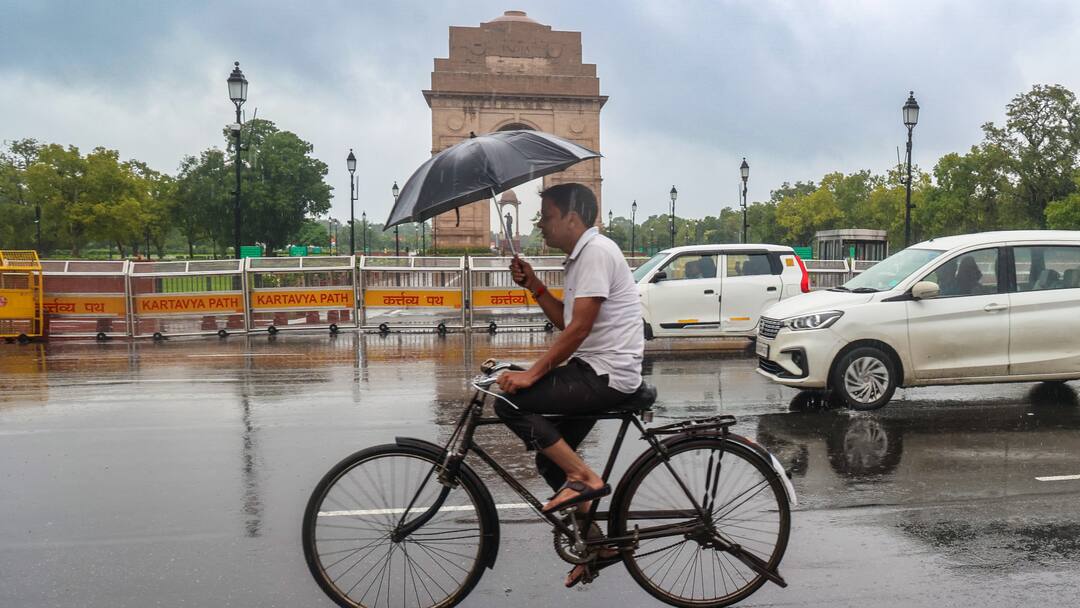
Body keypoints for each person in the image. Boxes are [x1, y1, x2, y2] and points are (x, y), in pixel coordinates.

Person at [494, 182, 644, 587]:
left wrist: (532, 373)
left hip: (607, 373)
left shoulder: (595, 252)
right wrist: (535, 287)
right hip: (595, 368)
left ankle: (586, 480)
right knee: (548, 458)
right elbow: (565, 319)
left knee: (509, 404)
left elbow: (578, 330)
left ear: (572, 218)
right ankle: (598, 545)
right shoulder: (581, 257)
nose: (541, 224)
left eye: (546, 216)